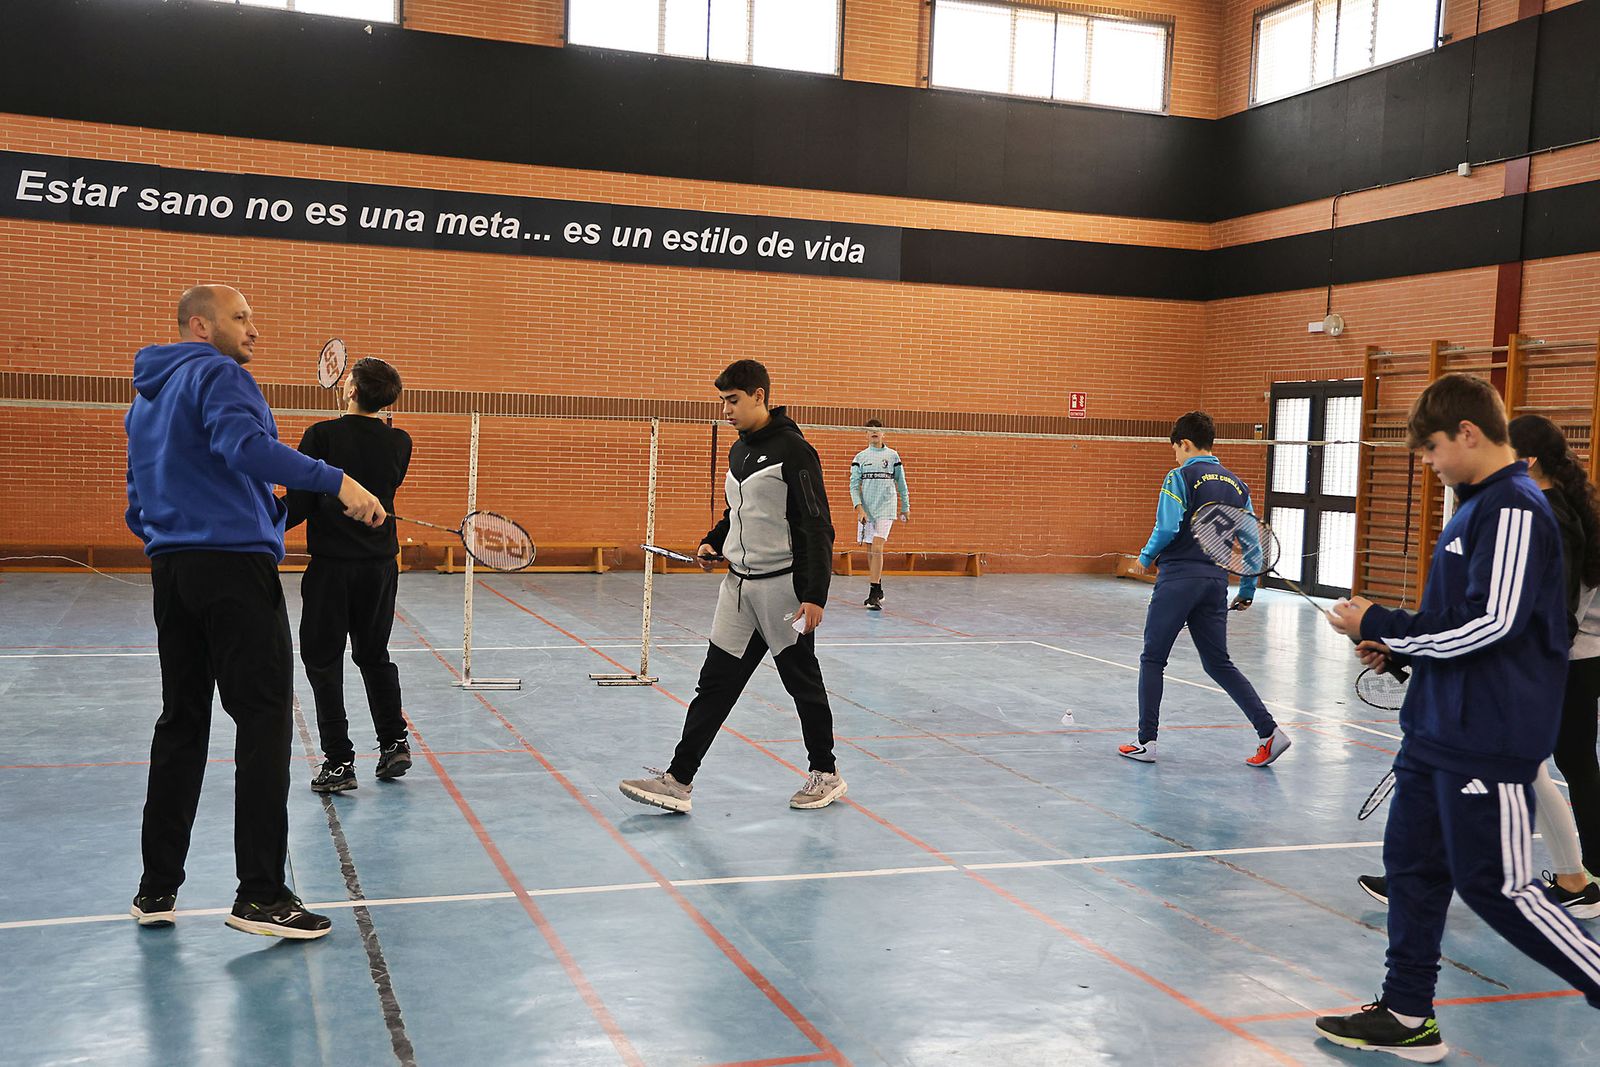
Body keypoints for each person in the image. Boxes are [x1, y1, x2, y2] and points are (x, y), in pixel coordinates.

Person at [1317, 374, 1600, 1060]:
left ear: (1469, 433)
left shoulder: (1513, 508)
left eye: (1434, 447)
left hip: (1486, 736)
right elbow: (1456, 622)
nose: (1429, 461)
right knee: (1412, 866)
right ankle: (1408, 1010)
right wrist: (1402, 648)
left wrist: (1384, 621)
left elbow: (1496, 622)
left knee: (1497, 886)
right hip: (1434, 731)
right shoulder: (1475, 506)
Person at [125, 284, 385, 940]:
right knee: (265, 718)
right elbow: (243, 448)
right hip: (233, 573)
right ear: (199, 322)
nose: (253, 330)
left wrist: (250, 514)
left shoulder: (149, 396)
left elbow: (140, 496)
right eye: (241, 317)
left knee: (182, 720)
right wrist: (336, 479)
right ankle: (260, 893)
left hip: (172, 568)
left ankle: (157, 888)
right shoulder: (219, 373)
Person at [1356, 413, 1600, 918]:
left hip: (1531, 669)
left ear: (1525, 461)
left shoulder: (1541, 518)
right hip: (1527, 666)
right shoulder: (1533, 510)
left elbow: (1510, 617)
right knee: (1524, 768)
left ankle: (1573, 882)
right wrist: (1404, 644)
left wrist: (1397, 635)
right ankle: (1574, 881)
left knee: (1513, 765)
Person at [619, 359, 844, 813]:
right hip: (737, 592)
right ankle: (678, 780)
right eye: (723, 401)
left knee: (803, 684)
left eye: (733, 401)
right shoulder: (739, 450)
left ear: (759, 395)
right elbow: (738, 513)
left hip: (782, 592)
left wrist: (814, 595)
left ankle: (826, 773)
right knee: (714, 686)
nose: (726, 410)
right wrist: (712, 541)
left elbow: (816, 526)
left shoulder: (795, 451)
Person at [1119, 411, 1289, 766]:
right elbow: (1253, 545)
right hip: (1215, 582)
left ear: (1184, 443)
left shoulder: (1180, 476)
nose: (1175, 457)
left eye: (1175, 450)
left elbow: (1167, 528)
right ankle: (1270, 733)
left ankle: (1146, 742)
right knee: (1218, 662)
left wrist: (1145, 557)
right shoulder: (1237, 484)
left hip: (1179, 578)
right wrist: (1247, 589)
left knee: (1153, 658)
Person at [284, 358, 414, 794]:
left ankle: (339, 761)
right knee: (374, 654)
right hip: (380, 568)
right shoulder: (400, 442)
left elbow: (297, 506)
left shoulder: (321, 435)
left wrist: (255, 519)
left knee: (323, 661)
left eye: (349, 379)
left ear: (352, 390)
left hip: (332, 570)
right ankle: (395, 743)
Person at [849, 419, 910, 610]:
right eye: (870, 431)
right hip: (867, 509)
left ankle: (873, 593)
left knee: (877, 546)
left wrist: (905, 506)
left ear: (884, 434)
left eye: (878, 430)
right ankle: (878, 588)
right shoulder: (860, 457)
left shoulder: (892, 456)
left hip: (886, 507)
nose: (874, 433)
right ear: (866, 435)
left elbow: (901, 483)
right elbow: (853, 485)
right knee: (870, 550)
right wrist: (859, 508)